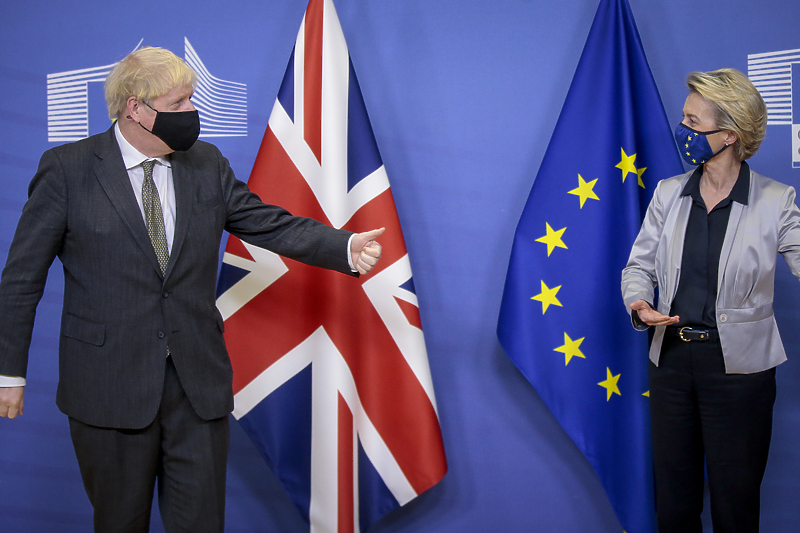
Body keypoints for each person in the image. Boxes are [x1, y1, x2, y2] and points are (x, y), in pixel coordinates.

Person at [0, 46, 384, 532]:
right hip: (107, 387)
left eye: (191, 100)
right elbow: (20, 279)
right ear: (135, 108)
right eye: (179, 103)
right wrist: (8, 372)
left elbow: (267, 223)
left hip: (196, 388)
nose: (192, 113)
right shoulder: (67, 170)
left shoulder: (206, 164)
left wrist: (343, 247)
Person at [621, 68, 800, 533]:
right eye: (684, 119)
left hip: (740, 373)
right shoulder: (666, 194)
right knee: (675, 504)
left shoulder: (776, 201)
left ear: (730, 134)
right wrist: (640, 303)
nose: (684, 132)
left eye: (694, 123)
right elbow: (637, 267)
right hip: (672, 364)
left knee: (735, 504)